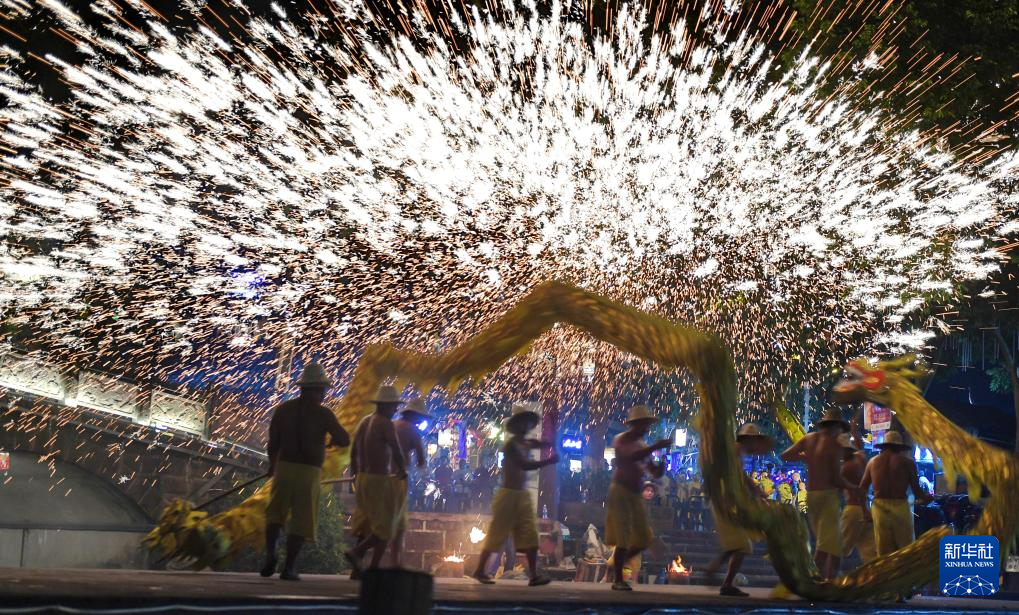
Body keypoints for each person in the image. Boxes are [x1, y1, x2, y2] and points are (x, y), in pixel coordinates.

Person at [262, 361, 350, 580]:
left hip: (284, 468)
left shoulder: (284, 410)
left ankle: (271, 554)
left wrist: (272, 465)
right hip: (309, 472)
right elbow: (344, 439)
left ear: (302, 387)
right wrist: (330, 440)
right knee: (301, 520)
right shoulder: (323, 414)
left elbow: (273, 443)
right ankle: (289, 568)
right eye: (323, 390)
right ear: (319, 389)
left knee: (275, 514)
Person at [471, 403, 558, 586]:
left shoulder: (526, 443)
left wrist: (553, 431)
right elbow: (524, 465)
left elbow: (543, 444)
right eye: (523, 423)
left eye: (528, 423)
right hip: (508, 496)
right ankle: (479, 570)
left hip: (521, 496)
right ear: (517, 425)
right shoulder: (511, 445)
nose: (526, 426)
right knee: (497, 535)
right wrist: (548, 461)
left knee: (530, 534)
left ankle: (533, 575)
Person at [605, 405, 671, 591]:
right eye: (643, 424)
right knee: (623, 537)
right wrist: (655, 447)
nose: (646, 428)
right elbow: (628, 458)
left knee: (643, 538)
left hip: (635, 494)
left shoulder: (643, 445)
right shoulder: (621, 439)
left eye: (647, 424)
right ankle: (618, 578)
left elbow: (654, 472)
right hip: (620, 491)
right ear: (634, 425)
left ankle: (617, 564)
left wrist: (661, 465)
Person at [780, 408, 851, 578]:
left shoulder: (809, 438)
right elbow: (836, 479)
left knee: (828, 541)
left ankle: (827, 579)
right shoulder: (835, 446)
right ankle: (811, 578)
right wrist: (854, 487)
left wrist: (805, 457)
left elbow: (785, 455)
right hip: (827, 496)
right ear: (836, 426)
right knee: (826, 543)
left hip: (812, 497)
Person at [705, 423, 774, 597]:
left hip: (725, 501)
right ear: (749, 440)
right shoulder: (735, 451)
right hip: (724, 502)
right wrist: (755, 492)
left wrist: (756, 491)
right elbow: (737, 478)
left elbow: (740, 477)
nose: (757, 447)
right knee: (741, 544)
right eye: (755, 442)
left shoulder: (737, 452)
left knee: (740, 545)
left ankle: (724, 580)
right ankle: (716, 571)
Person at [345, 384, 408, 576]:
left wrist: (354, 475)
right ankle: (357, 553)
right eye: (394, 406)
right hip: (378, 480)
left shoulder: (365, 421)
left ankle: (357, 571)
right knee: (386, 527)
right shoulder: (385, 423)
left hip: (362, 478)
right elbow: (396, 450)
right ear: (385, 405)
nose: (396, 410)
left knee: (366, 526)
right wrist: (402, 470)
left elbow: (353, 452)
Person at [859, 431, 932, 557]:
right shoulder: (908, 463)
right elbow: (917, 491)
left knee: (883, 553)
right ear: (899, 447)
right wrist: (928, 497)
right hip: (900, 507)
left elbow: (861, 489)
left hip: (879, 509)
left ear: (884, 446)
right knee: (906, 550)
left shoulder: (872, 462)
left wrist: (865, 511)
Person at [389, 396, 429, 568]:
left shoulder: (392, 425)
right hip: (398, 479)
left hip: (382, 477)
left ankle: (392, 562)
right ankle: (395, 562)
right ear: (415, 415)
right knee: (398, 524)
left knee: (382, 521)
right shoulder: (413, 431)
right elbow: (421, 460)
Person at [839, 427, 876, 567]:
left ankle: (828, 575)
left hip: (854, 510)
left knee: (839, 548)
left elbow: (857, 491)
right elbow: (859, 443)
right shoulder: (861, 458)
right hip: (865, 508)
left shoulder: (845, 468)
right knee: (870, 551)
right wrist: (854, 427)